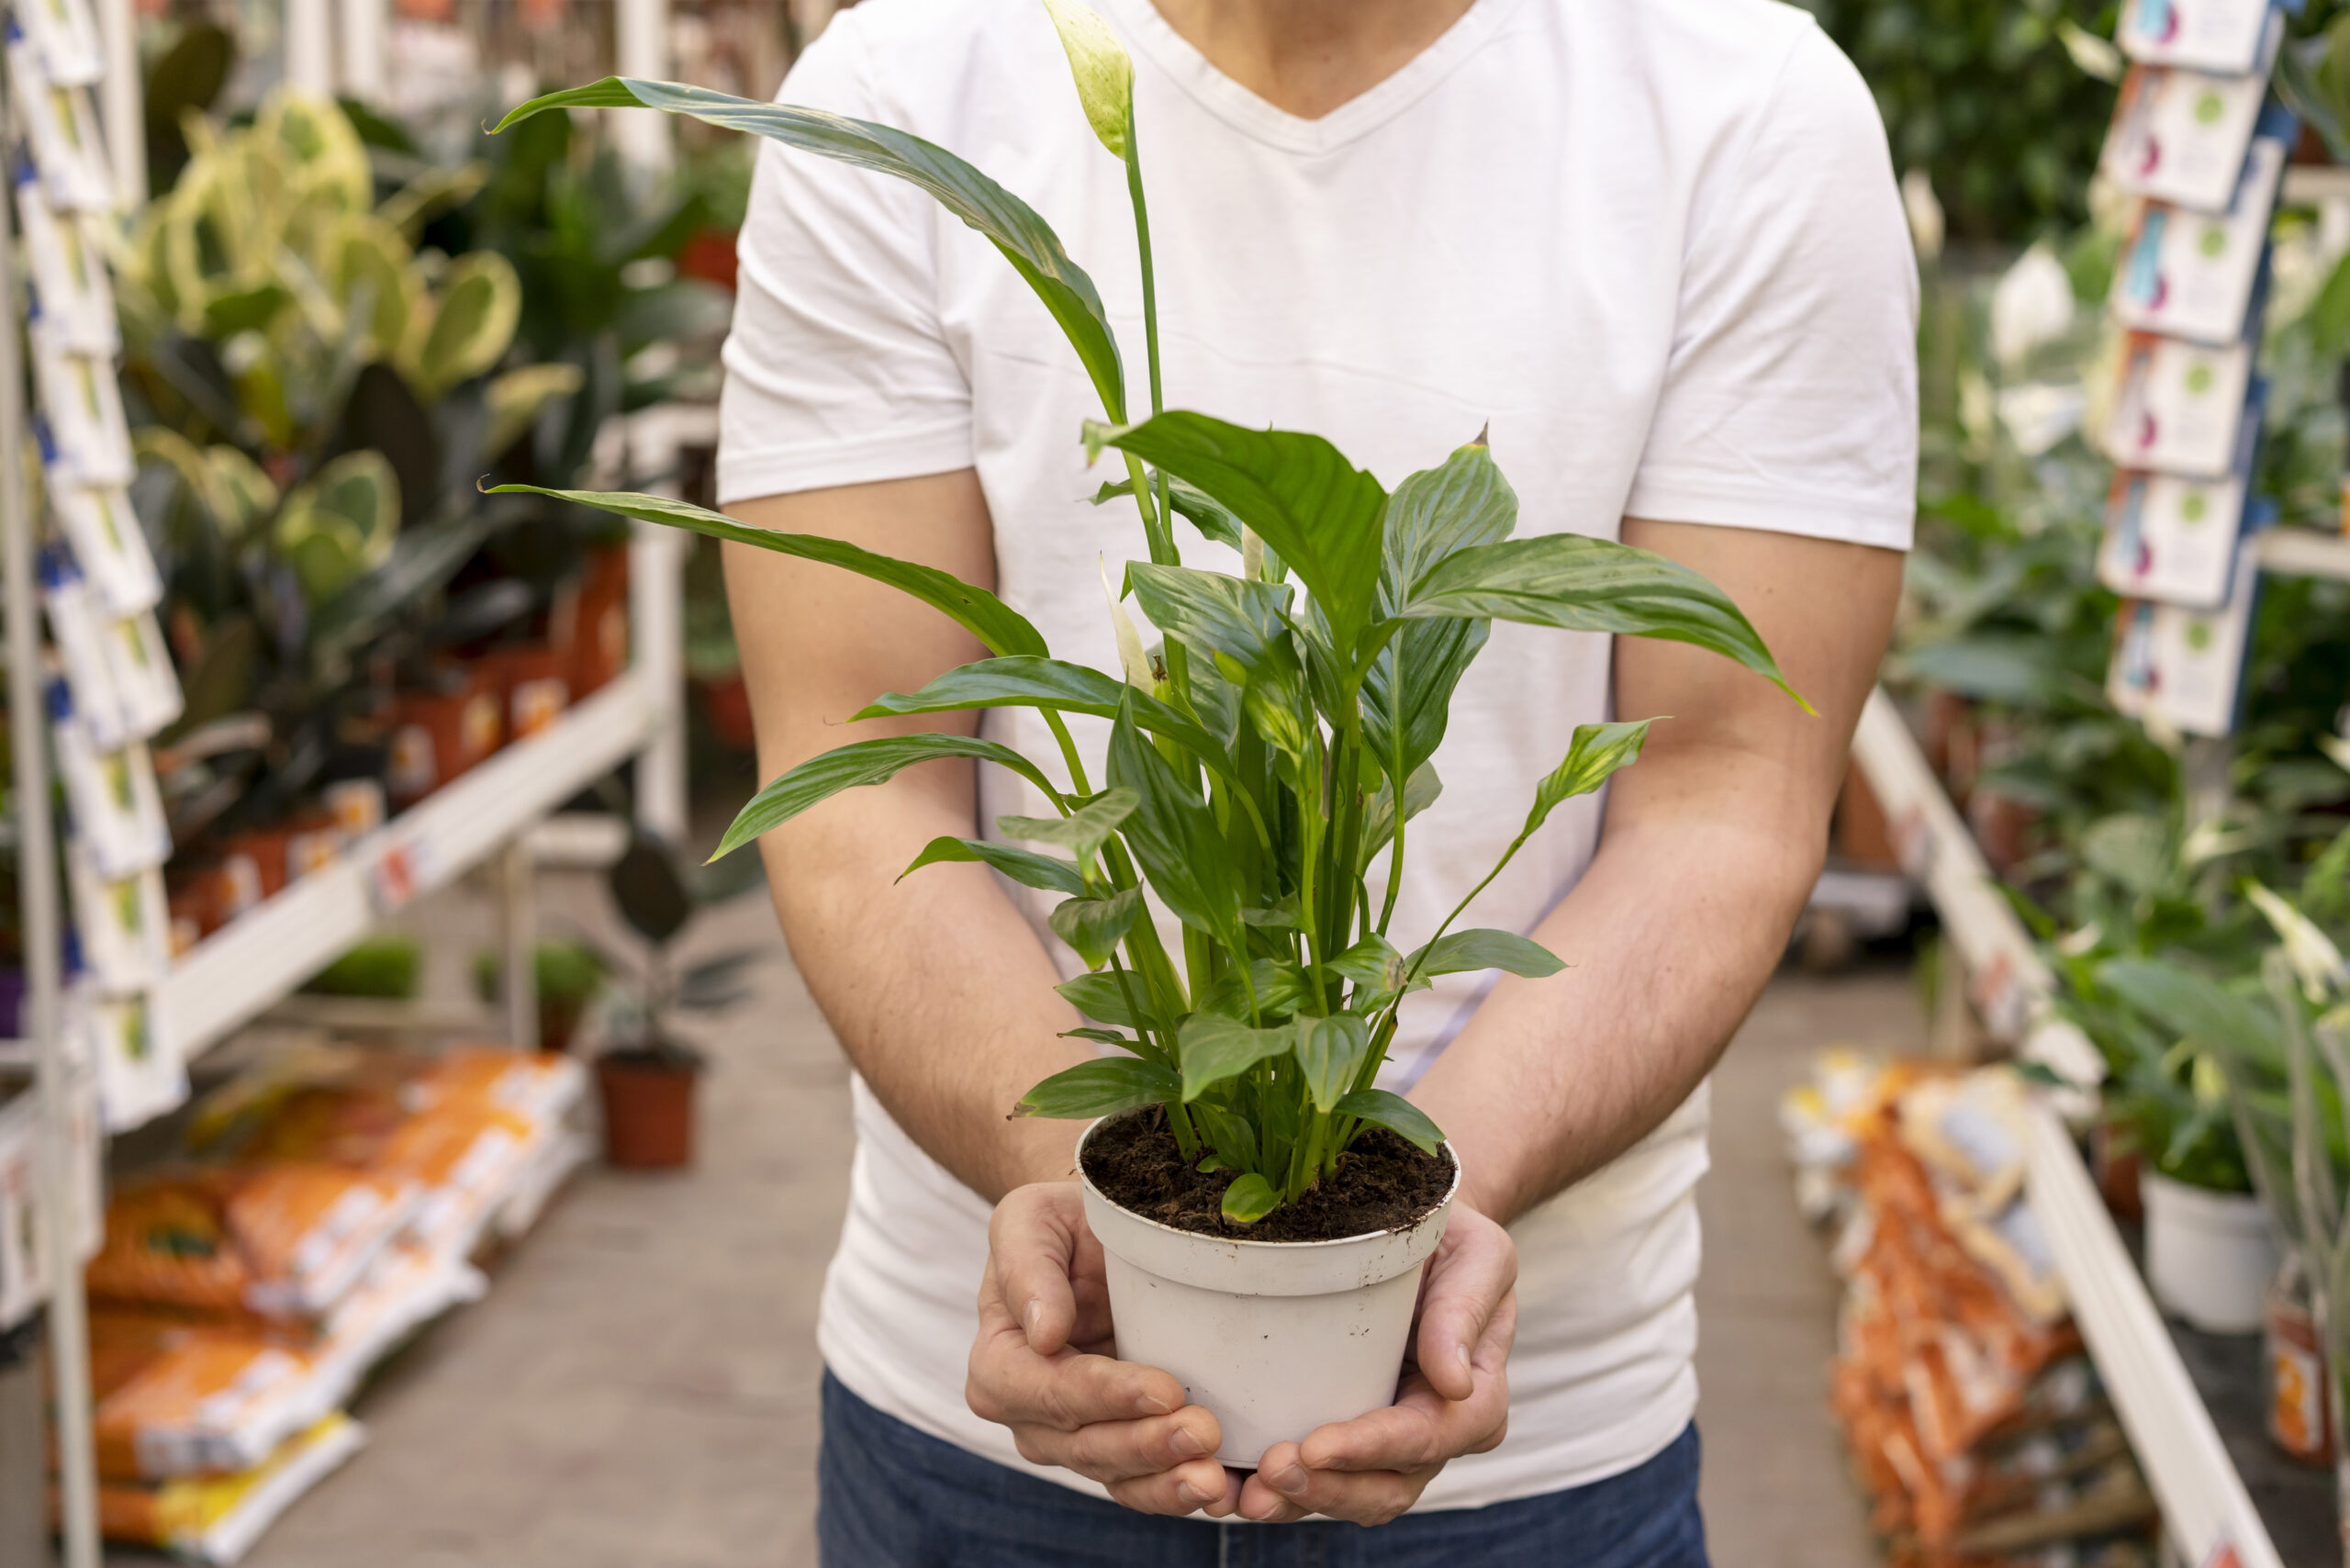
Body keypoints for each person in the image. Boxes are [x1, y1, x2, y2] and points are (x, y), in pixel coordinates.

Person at [715, 0, 1915, 1560]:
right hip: (990, 1434)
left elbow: (1730, 792)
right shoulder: (901, 86)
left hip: (1529, 1457)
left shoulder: (1747, 106)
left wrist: (1405, 1225)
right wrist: (1097, 1213)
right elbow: (856, 771)